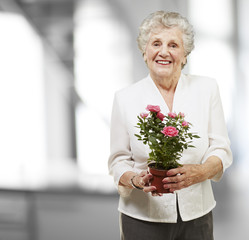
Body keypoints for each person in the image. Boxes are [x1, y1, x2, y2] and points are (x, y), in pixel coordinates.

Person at [108, 11, 232, 240]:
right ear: (145, 52)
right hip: (142, 217)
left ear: (185, 55)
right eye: (156, 43)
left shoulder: (207, 89)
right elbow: (118, 161)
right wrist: (135, 180)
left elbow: (221, 148)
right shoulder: (125, 98)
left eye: (173, 45)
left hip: (197, 215)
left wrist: (201, 172)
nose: (164, 51)